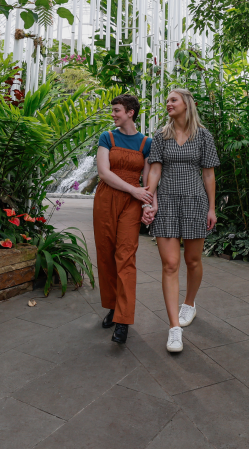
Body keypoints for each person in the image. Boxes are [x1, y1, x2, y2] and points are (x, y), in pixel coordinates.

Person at [142, 89, 220, 353]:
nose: (168, 103)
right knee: (170, 264)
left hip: (195, 202)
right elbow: (154, 170)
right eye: (167, 100)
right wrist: (148, 201)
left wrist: (212, 208)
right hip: (166, 203)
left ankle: (189, 303)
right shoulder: (161, 136)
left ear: (187, 104)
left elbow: (208, 174)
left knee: (193, 260)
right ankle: (174, 328)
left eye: (173, 99)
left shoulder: (204, 136)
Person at [93, 94, 153, 344]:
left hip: (131, 204)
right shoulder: (107, 137)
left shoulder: (146, 143)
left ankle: (124, 319)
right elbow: (103, 172)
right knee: (106, 254)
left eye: (117, 110)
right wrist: (133, 190)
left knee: (126, 256)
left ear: (130, 112)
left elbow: (148, 179)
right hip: (106, 199)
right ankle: (113, 306)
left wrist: (148, 204)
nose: (113, 114)